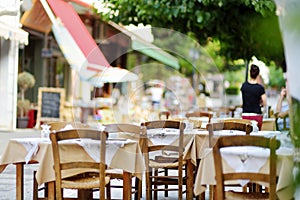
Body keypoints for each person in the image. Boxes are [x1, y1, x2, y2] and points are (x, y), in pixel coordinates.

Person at [240, 64, 267, 130]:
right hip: (257, 115)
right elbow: (265, 103)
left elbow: (242, 101)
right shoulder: (260, 88)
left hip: (245, 115)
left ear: (250, 73)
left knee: (246, 135)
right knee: (256, 137)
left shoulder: (244, 86)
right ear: (258, 74)